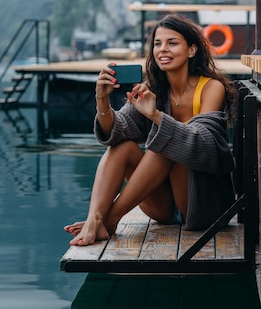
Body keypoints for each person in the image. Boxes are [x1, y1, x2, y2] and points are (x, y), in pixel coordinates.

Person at [64, 14, 236, 246]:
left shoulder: (211, 88)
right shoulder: (152, 89)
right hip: (162, 209)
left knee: (165, 145)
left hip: (203, 206)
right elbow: (117, 131)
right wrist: (102, 101)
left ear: (192, 50)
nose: (162, 49)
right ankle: (95, 218)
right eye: (157, 44)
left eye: (172, 43)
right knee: (122, 146)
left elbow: (205, 148)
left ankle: (109, 221)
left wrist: (155, 115)